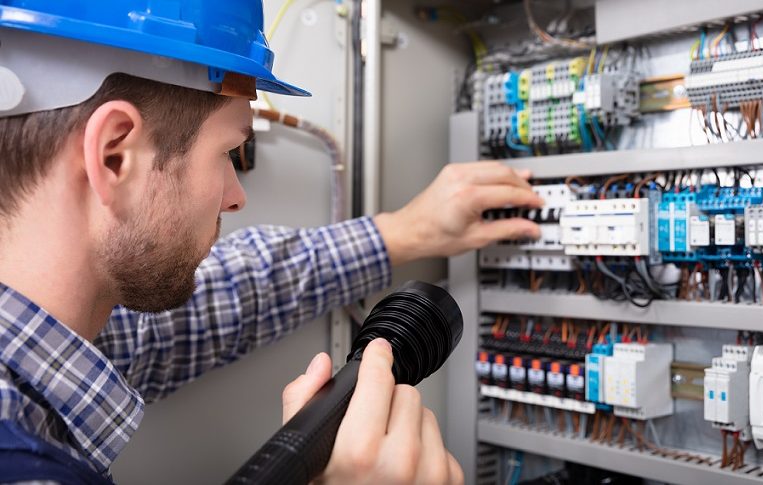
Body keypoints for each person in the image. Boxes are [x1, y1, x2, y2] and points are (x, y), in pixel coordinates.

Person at [0, 2, 543, 483]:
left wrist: (406, 233)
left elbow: (230, 296)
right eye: (227, 151)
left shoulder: (67, 332)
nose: (236, 196)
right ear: (115, 155)